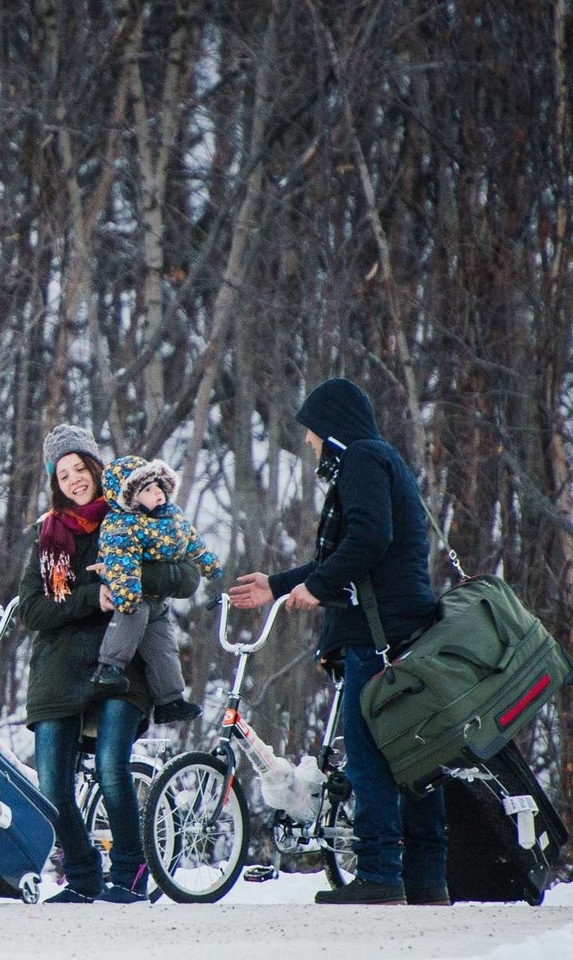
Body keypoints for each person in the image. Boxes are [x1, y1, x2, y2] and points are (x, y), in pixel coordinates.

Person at [228, 377, 445, 906]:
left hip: (378, 635)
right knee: (411, 755)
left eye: (312, 432)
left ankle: (379, 875)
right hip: (400, 627)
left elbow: (370, 538)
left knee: (367, 755)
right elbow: (353, 550)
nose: (308, 443)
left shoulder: (362, 459)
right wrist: (279, 585)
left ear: (333, 429)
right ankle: (425, 878)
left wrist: (318, 586)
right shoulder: (380, 459)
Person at [19, 425, 200, 904]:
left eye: (80, 468)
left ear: (98, 469)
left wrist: (128, 576)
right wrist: (91, 597)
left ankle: (130, 872)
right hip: (58, 670)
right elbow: (32, 610)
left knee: (111, 768)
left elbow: (186, 576)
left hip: (121, 667)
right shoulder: (48, 534)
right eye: (63, 474)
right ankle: (82, 877)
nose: (74, 480)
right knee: (52, 786)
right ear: (55, 483)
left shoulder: (135, 513)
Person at [87, 456, 222, 724]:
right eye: (147, 489)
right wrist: (127, 595)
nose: (157, 493)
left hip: (158, 599)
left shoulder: (173, 517)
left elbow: (192, 542)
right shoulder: (122, 524)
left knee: (164, 647)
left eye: (158, 486)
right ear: (130, 498)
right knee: (130, 621)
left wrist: (209, 565)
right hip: (134, 593)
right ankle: (108, 668)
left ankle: (170, 700)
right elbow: (122, 561)